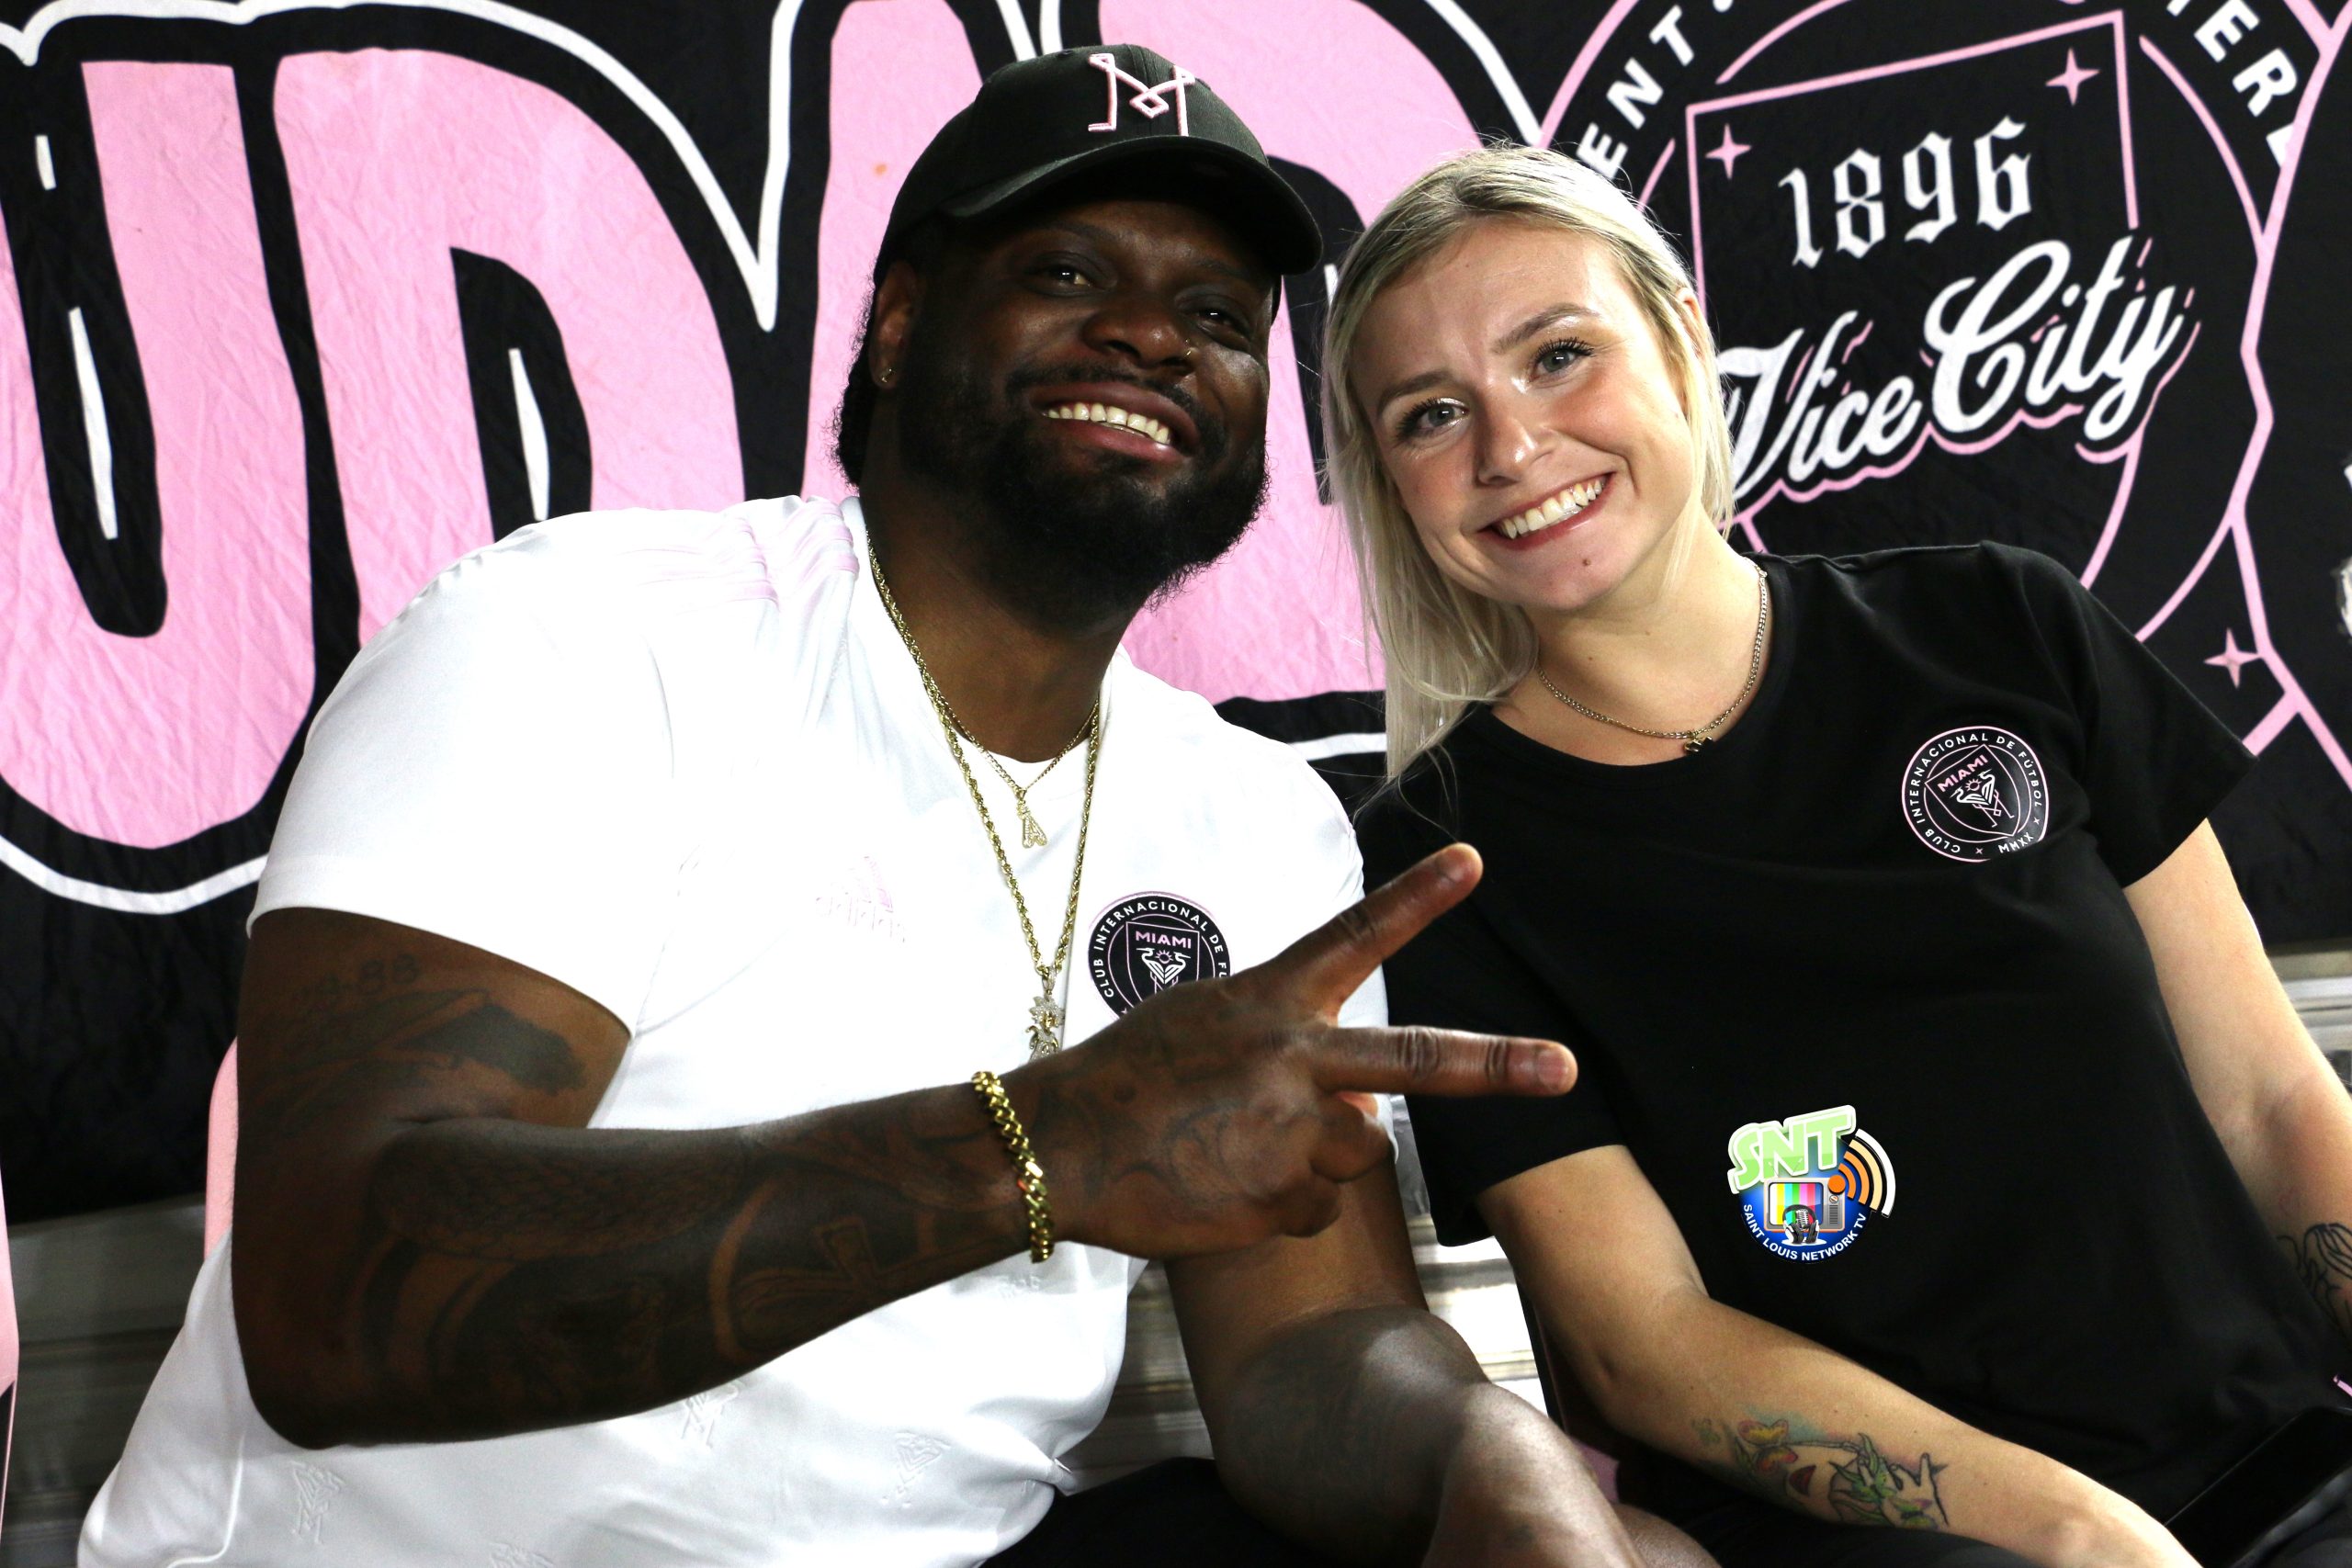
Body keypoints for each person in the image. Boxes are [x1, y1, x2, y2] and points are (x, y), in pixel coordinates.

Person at [78, 51, 1698, 1568]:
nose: (1151, 337)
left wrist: (1495, 1458)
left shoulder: (1256, 821)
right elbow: (336, 1300)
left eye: (1215, 313)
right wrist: (1045, 1142)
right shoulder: (578, 637)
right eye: (1068, 273)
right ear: (905, 321)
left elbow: (1308, 1348)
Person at [1329, 144, 2352, 1568]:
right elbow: (1641, 1345)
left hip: (2281, 1478)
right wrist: (2075, 1531)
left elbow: (2269, 1099)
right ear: (1389, 483)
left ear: (1680, 341)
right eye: (1433, 415)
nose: (1510, 448)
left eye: (1559, 356)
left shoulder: (2004, 628)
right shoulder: (1439, 861)